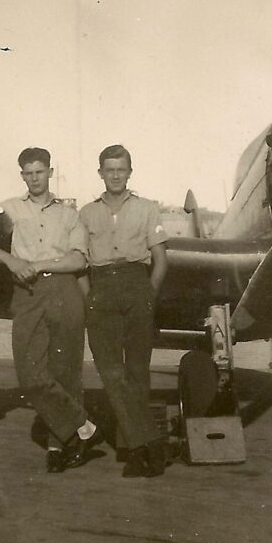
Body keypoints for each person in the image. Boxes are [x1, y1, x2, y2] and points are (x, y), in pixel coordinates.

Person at [0, 147, 102, 473]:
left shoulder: (70, 214)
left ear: (50, 172)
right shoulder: (6, 210)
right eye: (28, 173)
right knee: (30, 375)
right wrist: (11, 260)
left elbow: (78, 259)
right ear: (22, 175)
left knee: (66, 371)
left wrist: (37, 264)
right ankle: (84, 426)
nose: (34, 178)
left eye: (40, 171)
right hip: (26, 294)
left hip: (64, 290)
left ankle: (60, 446)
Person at [80, 145, 169, 478]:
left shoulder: (147, 209)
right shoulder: (86, 214)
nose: (115, 175)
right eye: (109, 169)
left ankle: (136, 450)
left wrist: (148, 296)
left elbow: (160, 261)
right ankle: (149, 442)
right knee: (109, 371)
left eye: (121, 169)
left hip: (136, 284)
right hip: (100, 287)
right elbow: (79, 262)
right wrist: (90, 300)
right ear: (100, 172)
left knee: (136, 371)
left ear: (130, 172)